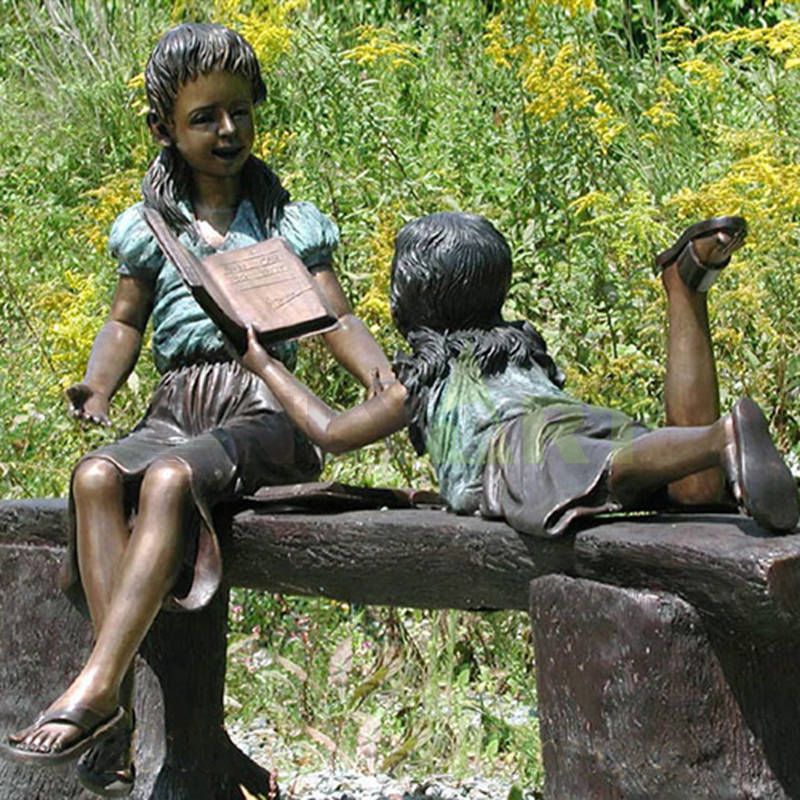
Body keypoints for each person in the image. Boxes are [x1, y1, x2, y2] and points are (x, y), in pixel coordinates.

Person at [1, 21, 394, 796]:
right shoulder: (152, 230)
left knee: (171, 481)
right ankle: (126, 704)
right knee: (94, 476)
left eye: (239, 111)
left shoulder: (284, 220)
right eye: (204, 117)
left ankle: (99, 690)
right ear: (164, 130)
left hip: (261, 406)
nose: (227, 131)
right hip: (178, 401)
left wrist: (380, 375)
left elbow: (334, 318)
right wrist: (100, 383)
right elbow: (125, 321)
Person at [239, 210, 799, 540]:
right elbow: (345, 325)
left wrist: (263, 362)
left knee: (616, 470)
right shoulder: (517, 346)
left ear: (410, 296)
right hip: (581, 423)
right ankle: (686, 287)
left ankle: (723, 436)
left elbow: (333, 432)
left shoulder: (423, 375)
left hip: (524, 451)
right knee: (693, 488)